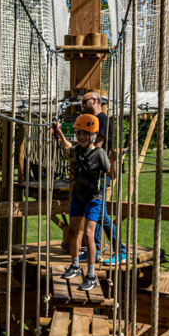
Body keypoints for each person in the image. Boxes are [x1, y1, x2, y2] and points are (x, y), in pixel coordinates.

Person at [54, 114, 111, 291]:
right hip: (78, 197)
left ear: (93, 135)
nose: (80, 136)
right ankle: (75, 265)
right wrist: (59, 131)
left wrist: (115, 161)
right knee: (73, 232)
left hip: (93, 199)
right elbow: (67, 147)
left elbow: (111, 173)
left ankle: (91, 275)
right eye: (78, 133)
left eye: (84, 133)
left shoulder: (99, 153)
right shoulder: (78, 150)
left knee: (88, 234)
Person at [79, 91, 124, 263]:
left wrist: (82, 154)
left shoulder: (102, 120)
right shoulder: (94, 120)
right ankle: (95, 250)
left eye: (85, 101)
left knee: (100, 215)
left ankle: (121, 250)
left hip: (101, 174)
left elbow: (97, 145)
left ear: (95, 100)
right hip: (94, 174)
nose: (82, 104)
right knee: (97, 214)